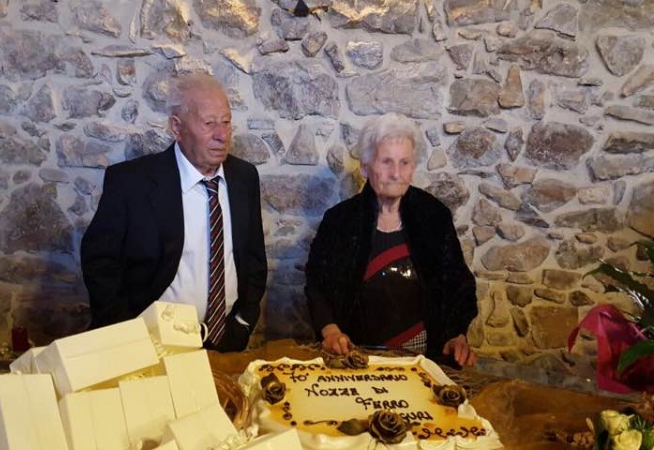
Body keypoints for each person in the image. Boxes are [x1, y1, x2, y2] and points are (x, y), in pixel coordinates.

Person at [81, 74, 267, 352]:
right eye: (209, 123)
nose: (222, 135)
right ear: (176, 128)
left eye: (226, 122)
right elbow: (100, 263)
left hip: (224, 342)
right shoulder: (131, 183)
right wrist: (127, 336)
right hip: (150, 343)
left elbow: (253, 257)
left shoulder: (244, 177)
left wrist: (242, 321)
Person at [305, 113, 479, 366]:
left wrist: (456, 334)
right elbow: (317, 284)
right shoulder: (339, 221)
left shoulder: (433, 216)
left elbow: (457, 283)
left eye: (405, 162)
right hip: (355, 359)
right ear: (365, 166)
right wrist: (330, 330)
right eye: (386, 161)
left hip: (423, 361)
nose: (396, 173)